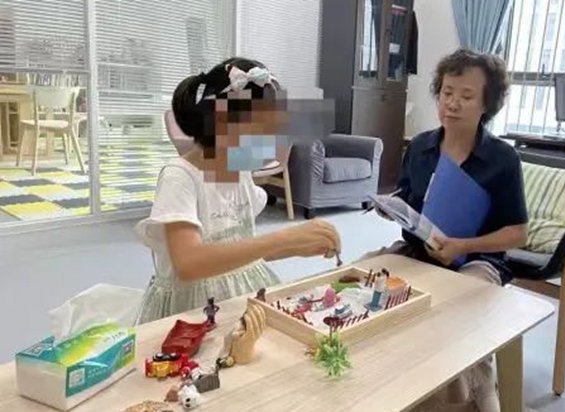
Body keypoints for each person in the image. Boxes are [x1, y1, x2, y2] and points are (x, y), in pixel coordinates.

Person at [368, 48, 528, 412]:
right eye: (446, 92)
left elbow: (518, 233)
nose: (452, 103)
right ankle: (384, 382)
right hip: (417, 251)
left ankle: (467, 397)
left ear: (487, 104)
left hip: (477, 261)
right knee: (365, 277)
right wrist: (391, 207)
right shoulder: (420, 146)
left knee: (452, 309)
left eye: (466, 96)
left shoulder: (502, 159)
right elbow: (408, 197)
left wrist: (462, 246)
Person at [135, 57, 341, 324]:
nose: (275, 144)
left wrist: (296, 246)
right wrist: (283, 238)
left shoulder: (239, 172)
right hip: (194, 311)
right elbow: (188, 263)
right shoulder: (180, 177)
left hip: (238, 296)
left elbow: (241, 249)